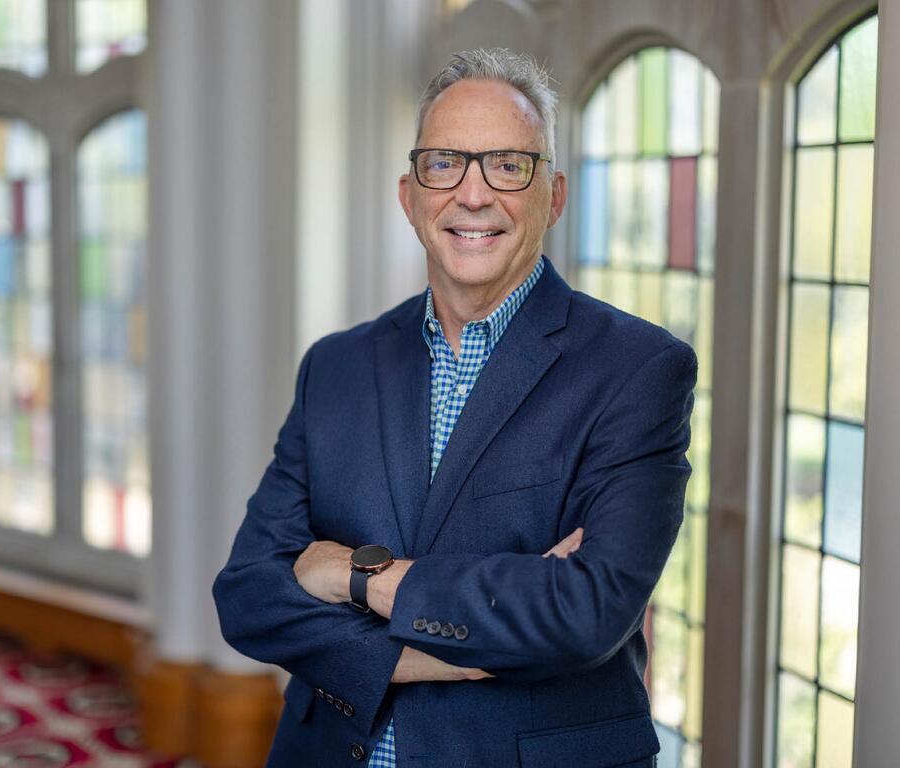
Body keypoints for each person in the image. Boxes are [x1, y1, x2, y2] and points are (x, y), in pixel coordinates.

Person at [213, 47, 696, 768]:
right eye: (445, 164)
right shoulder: (336, 367)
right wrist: (450, 653)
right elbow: (250, 594)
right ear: (409, 196)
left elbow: (586, 610)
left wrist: (352, 577)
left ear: (554, 195)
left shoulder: (638, 370)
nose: (473, 195)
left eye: (508, 165)